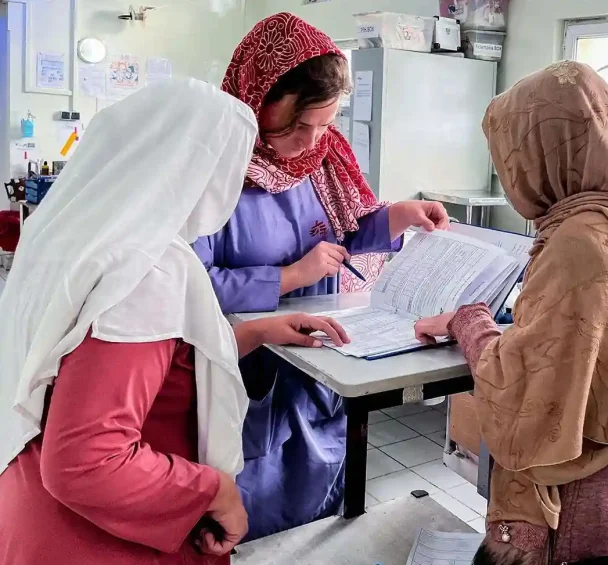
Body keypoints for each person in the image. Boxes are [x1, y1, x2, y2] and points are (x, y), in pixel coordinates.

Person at [0, 79, 349, 564]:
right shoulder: (147, 268)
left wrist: (254, 332)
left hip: (30, 508)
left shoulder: (64, 239)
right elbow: (87, 460)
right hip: (106, 537)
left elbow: (134, 357)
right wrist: (214, 493)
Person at [415, 61, 608, 565]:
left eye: (510, 158)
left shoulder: (580, 240)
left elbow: (520, 389)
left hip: (581, 496)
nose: (509, 174)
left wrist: (468, 321)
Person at [193, 12, 449, 540]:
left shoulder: (323, 161)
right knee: (248, 518)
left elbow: (346, 234)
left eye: (324, 125)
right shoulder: (211, 170)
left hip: (320, 374)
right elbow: (187, 284)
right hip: (245, 374)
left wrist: (397, 216)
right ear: (256, 98)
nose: (312, 143)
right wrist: (289, 276)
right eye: (299, 125)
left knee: (318, 520)